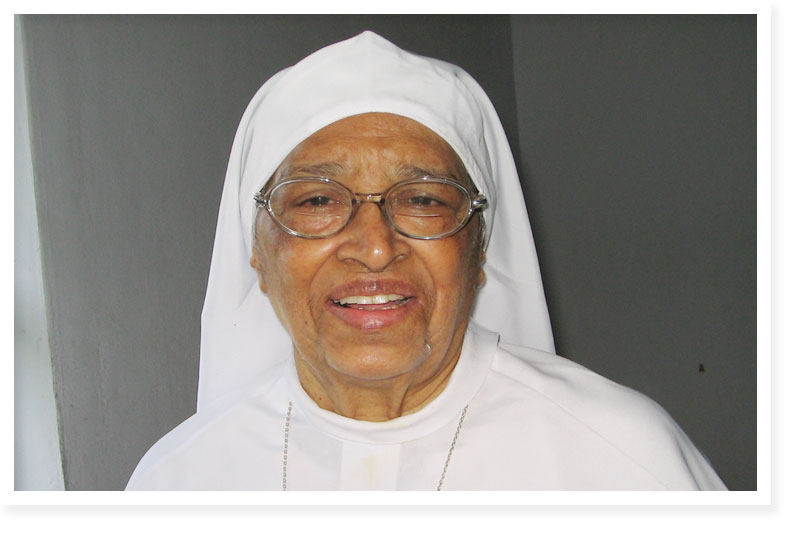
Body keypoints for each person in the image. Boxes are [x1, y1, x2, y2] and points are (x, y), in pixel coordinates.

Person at [126, 31, 726, 490]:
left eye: (423, 200)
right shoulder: (177, 479)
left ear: (479, 246)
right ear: (256, 251)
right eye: (316, 200)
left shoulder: (624, 460)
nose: (374, 247)